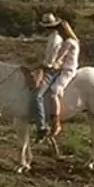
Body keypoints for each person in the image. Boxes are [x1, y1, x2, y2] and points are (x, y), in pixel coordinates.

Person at [43, 18, 80, 137]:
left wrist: (50, 65)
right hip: (65, 68)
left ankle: (56, 121)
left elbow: (60, 57)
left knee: (54, 90)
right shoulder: (73, 40)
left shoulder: (68, 42)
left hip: (67, 70)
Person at [31, 13, 63, 142]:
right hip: (51, 68)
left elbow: (49, 62)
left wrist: (38, 66)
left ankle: (42, 126)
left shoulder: (55, 40)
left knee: (37, 96)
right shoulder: (53, 37)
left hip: (51, 71)